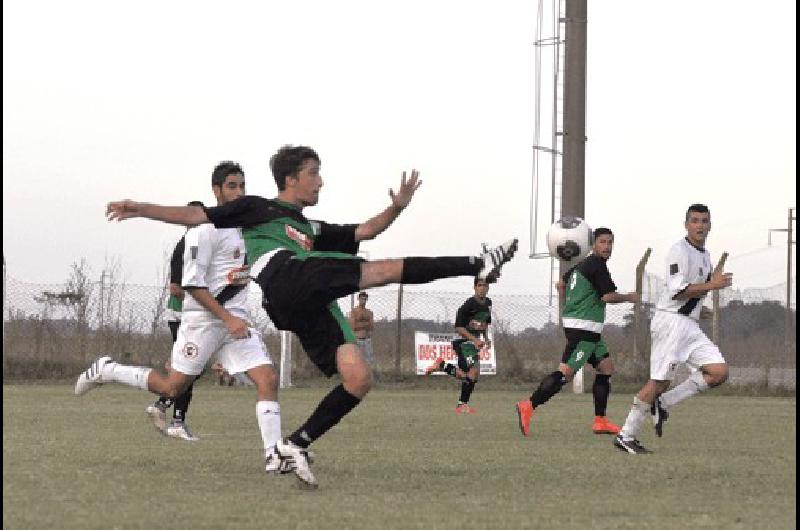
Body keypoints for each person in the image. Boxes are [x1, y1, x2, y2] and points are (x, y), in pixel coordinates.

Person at [102, 144, 518, 488]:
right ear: (291, 179)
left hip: (300, 299)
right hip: (285, 274)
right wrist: (140, 207)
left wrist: (398, 208)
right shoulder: (257, 208)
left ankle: (295, 444)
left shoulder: (311, 226)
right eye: (314, 173)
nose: (320, 181)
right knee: (378, 271)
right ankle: (476, 262)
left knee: (358, 378)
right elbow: (195, 216)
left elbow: (365, 231)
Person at [77, 162, 290, 475]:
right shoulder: (203, 232)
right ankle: (108, 370)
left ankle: (274, 456)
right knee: (171, 388)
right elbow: (192, 285)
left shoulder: (249, 227)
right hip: (203, 321)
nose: (239, 192)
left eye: (242, 185)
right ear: (216, 191)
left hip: (235, 323)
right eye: (232, 186)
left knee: (267, 379)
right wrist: (226, 318)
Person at [614, 204, 732, 454]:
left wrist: (703, 304)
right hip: (671, 322)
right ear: (686, 224)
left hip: (689, 324)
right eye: (695, 221)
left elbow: (693, 293)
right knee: (658, 381)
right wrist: (713, 284)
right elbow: (679, 291)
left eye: (704, 221)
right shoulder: (679, 251)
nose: (700, 225)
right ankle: (626, 435)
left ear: (710, 225)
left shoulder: (705, 254)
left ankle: (664, 405)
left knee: (718, 372)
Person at [515, 227, 639, 436]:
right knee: (566, 374)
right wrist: (629, 297)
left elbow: (560, 283)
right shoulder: (596, 265)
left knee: (606, 368)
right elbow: (608, 296)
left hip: (585, 327)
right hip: (583, 329)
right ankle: (528, 404)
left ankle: (600, 421)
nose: (607, 247)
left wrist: (571, 306)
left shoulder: (584, 264)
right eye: (602, 242)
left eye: (610, 242)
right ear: (593, 245)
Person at [146, 200, 205, 442]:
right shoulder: (185, 247)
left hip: (191, 315)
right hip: (182, 315)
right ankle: (175, 419)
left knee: (191, 369)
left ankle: (163, 405)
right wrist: (202, 298)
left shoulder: (200, 244)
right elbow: (175, 288)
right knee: (191, 368)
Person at [424, 277, 492, 414]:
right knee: (473, 372)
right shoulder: (468, 305)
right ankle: (462, 405)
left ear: (488, 288)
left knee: (468, 376)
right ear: (474, 287)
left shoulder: (488, 303)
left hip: (472, 343)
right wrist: (474, 340)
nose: (482, 288)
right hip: (463, 342)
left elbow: (484, 323)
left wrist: (485, 338)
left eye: (485, 285)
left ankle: (442, 366)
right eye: (479, 285)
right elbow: (459, 328)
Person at [348, 291, 375, 366]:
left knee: (368, 362)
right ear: (358, 299)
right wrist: (365, 324)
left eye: (365, 299)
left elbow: (371, 326)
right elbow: (353, 326)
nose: (363, 301)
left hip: (367, 339)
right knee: (357, 360)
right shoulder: (354, 311)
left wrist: (360, 324)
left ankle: (367, 376)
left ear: (367, 300)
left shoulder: (369, 312)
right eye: (362, 299)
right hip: (357, 339)